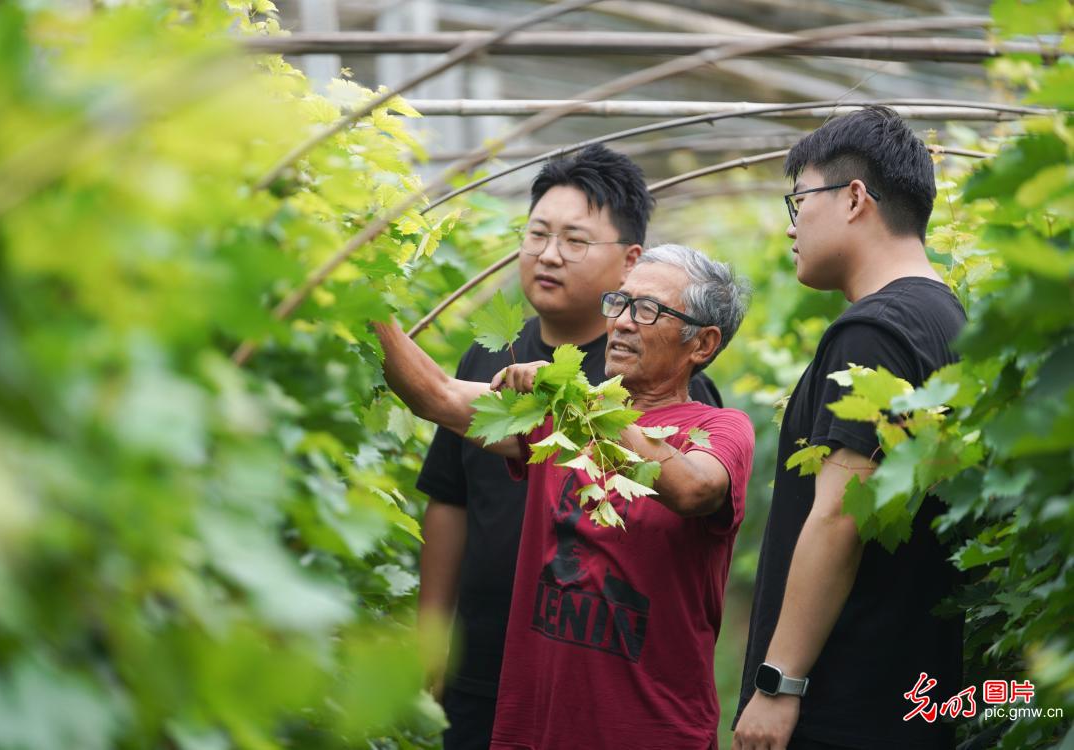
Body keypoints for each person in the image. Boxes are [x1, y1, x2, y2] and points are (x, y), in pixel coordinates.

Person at [376, 244, 754, 749]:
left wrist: (579, 398)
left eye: (647, 310)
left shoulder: (721, 428)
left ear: (702, 344)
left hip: (650, 734)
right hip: (533, 729)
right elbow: (436, 395)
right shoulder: (561, 415)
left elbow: (694, 488)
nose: (621, 322)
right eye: (619, 302)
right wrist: (368, 299)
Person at [733, 106, 966, 750]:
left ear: (855, 198)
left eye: (799, 200)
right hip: (911, 694)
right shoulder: (946, 319)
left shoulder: (873, 332)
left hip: (845, 705)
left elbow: (840, 515)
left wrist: (779, 684)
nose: (791, 226)